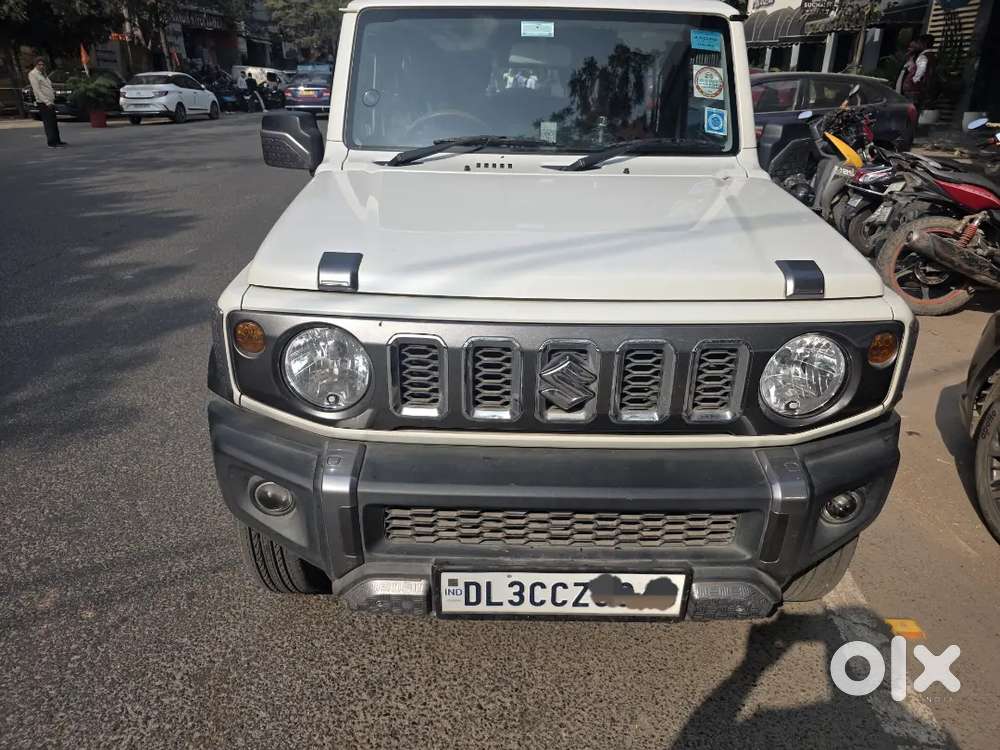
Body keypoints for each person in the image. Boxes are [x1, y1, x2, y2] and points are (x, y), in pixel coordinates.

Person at [28, 59, 65, 148]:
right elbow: (37, 90)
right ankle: (52, 142)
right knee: (49, 123)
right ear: (35, 65)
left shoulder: (43, 74)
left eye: (43, 64)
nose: (41, 66)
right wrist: (46, 102)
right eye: (39, 64)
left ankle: (57, 140)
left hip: (50, 101)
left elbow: (48, 86)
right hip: (44, 102)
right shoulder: (33, 74)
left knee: (53, 122)